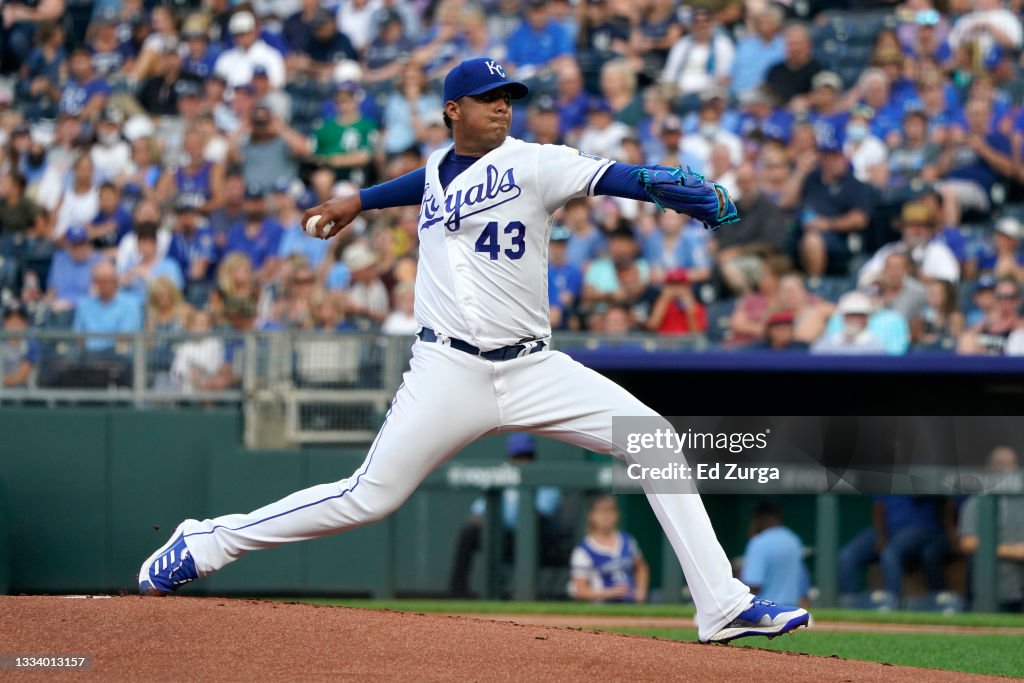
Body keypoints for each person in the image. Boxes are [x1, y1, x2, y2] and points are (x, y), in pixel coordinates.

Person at [139, 57, 810, 644]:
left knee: (654, 439)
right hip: (447, 369)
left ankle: (722, 603)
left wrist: (676, 195)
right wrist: (359, 201)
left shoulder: (537, 161)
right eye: (490, 98)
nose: (503, 107)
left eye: (509, 97)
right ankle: (206, 540)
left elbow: (616, 176)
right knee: (368, 496)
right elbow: (427, 183)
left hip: (533, 365)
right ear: (452, 110)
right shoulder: (436, 171)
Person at [447, 433, 565, 599]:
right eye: (518, 456)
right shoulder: (502, 477)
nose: (522, 461)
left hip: (535, 540)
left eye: (526, 456)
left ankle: (525, 593)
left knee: (531, 532)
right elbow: (476, 514)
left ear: (533, 456)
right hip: (502, 536)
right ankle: (457, 593)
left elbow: (540, 516)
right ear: (510, 457)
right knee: (469, 532)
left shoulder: (545, 481)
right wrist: (493, 523)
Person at [839, 495, 952, 605]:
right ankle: (850, 606)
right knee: (847, 555)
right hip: (889, 529)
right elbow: (878, 507)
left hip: (919, 528)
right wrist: (880, 534)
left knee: (889, 554)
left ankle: (892, 605)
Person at [958, 446, 1024, 612]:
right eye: (999, 463)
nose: (1005, 468)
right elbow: (967, 543)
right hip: (991, 590)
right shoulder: (977, 502)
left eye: (1010, 463)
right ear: (989, 468)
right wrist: (1010, 550)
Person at [570, 494, 649, 603]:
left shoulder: (627, 540)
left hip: (630, 604)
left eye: (611, 510)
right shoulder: (583, 550)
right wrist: (609, 593)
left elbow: (641, 567)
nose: (607, 516)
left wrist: (641, 590)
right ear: (591, 515)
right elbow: (579, 590)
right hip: (602, 608)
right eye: (602, 511)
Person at [740, 501, 810, 607]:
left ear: (760, 518)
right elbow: (802, 584)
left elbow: (753, 585)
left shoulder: (758, 542)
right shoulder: (793, 540)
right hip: (790, 610)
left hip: (766, 612)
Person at [2, 302, 39, 388]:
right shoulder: (1, 344)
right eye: (10, 321)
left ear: (25, 324)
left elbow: (22, 376)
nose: (14, 325)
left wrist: (2, 381)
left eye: (19, 321)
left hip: (26, 396)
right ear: (5, 323)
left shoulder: (31, 344)